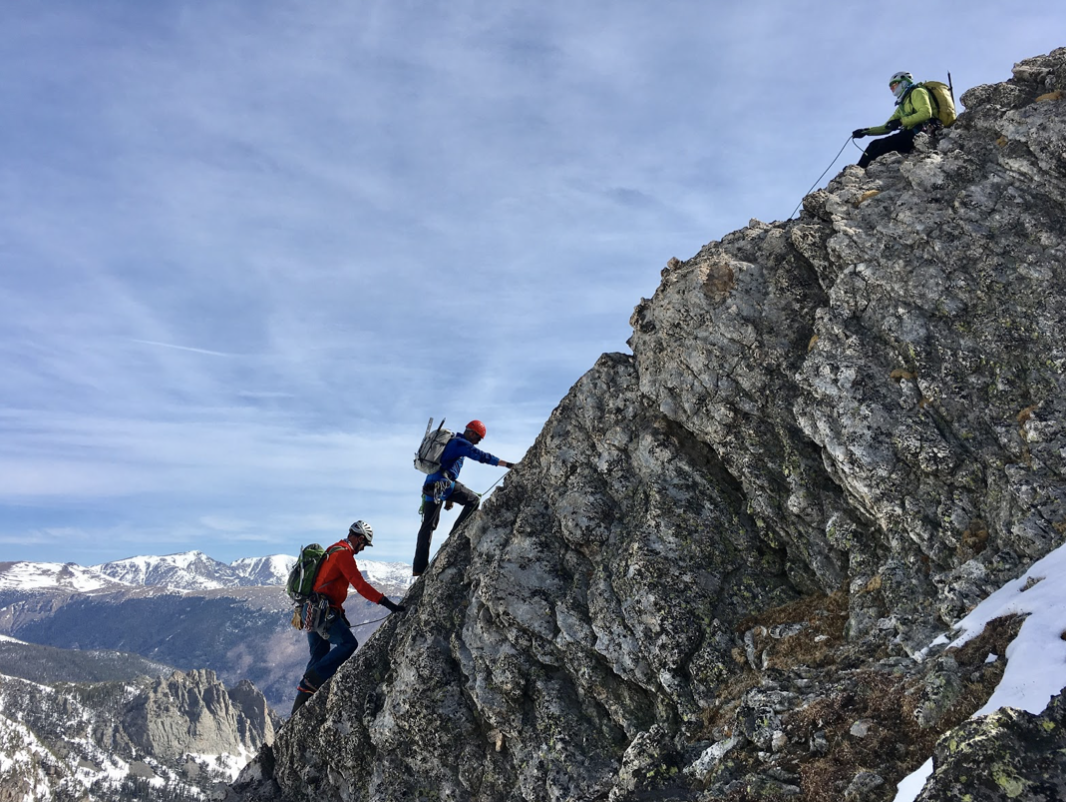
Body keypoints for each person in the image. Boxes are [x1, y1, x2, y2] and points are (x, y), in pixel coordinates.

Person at [291, 520, 405, 714]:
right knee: (348, 644)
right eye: (364, 544)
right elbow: (360, 585)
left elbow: (325, 585)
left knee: (319, 654)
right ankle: (314, 678)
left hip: (311, 611)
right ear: (360, 538)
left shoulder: (332, 549)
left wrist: (340, 615)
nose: (363, 549)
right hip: (323, 612)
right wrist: (387, 604)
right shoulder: (344, 555)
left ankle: (298, 709)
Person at [413, 419, 515, 577]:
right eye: (478, 438)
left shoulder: (450, 442)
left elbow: (446, 469)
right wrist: (507, 464)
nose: (478, 442)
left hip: (430, 487)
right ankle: (454, 536)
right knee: (473, 501)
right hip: (443, 485)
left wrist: (449, 499)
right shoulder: (461, 444)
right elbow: (482, 457)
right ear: (472, 433)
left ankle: (419, 568)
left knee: (427, 527)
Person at [852, 71, 938, 169]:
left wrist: (901, 122)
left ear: (904, 82)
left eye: (894, 84)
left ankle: (863, 168)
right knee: (874, 144)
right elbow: (887, 127)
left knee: (887, 143)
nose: (892, 88)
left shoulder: (917, 92)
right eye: (891, 87)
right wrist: (866, 131)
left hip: (924, 131)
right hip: (911, 133)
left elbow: (926, 113)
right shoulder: (902, 105)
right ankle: (859, 167)